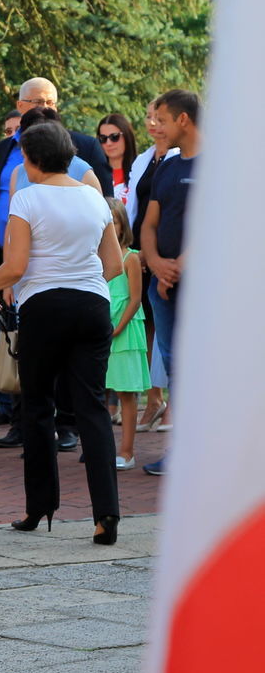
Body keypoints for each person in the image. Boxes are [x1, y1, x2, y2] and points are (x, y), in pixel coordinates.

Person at [0, 121, 123, 545]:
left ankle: (39, 507)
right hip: (92, 305)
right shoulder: (94, 199)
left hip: (44, 307)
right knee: (92, 408)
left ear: (31, 158)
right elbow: (112, 263)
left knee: (38, 406)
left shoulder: (27, 197)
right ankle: (106, 515)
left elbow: (17, 266)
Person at [139, 89, 200, 476]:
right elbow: (148, 224)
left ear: (183, 120)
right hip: (163, 287)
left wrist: (177, 268)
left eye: (161, 119)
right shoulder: (167, 167)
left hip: (203, 289)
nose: (155, 127)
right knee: (175, 366)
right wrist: (158, 265)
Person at [125, 102, 177, 431]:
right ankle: (153, 398)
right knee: (146, 326)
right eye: (149, 117)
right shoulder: (144, 159)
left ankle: (175, 402)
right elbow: (134, 207)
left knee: (168, 332)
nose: (153, 123)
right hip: (140, 253)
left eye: (160, 118)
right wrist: (134, 249)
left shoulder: (181, 159)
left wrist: (153, 252)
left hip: (165, 254)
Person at [102, 199, 149, 470]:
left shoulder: (131, 257)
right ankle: (103, 449)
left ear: (122, 225)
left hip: (123, 332)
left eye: (115, 221)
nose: (110, 226)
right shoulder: (95, 258)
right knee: (99, 392)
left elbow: (134, 298)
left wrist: (118, 328)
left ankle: (127, 451)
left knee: (126, 393)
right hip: (100, 330)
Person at [97, 114, 138, 202]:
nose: (108, 143)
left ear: (127, 137)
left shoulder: (140, 170)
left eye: (114, 137)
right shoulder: (93, 173)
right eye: (103, 138)